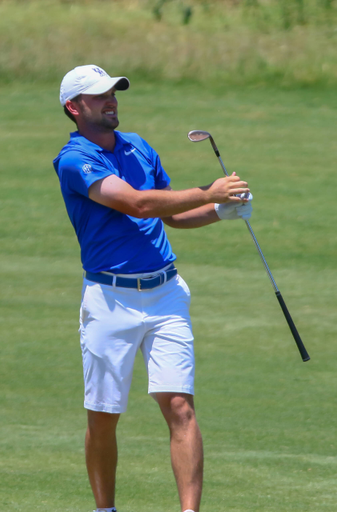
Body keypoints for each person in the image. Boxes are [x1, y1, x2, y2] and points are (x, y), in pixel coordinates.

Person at [53, 64, 252, 512]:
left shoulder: (138, 146)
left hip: (165, 294)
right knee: (103, 418)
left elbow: (171, 215)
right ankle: (106, 510)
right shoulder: (74, 160)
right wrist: (210, 191)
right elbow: (138, 203)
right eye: (100, 95)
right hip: (110, 300)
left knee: (180, 407)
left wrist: (223, 211)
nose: (112, 100)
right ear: (73, 107)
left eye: (114, 92)